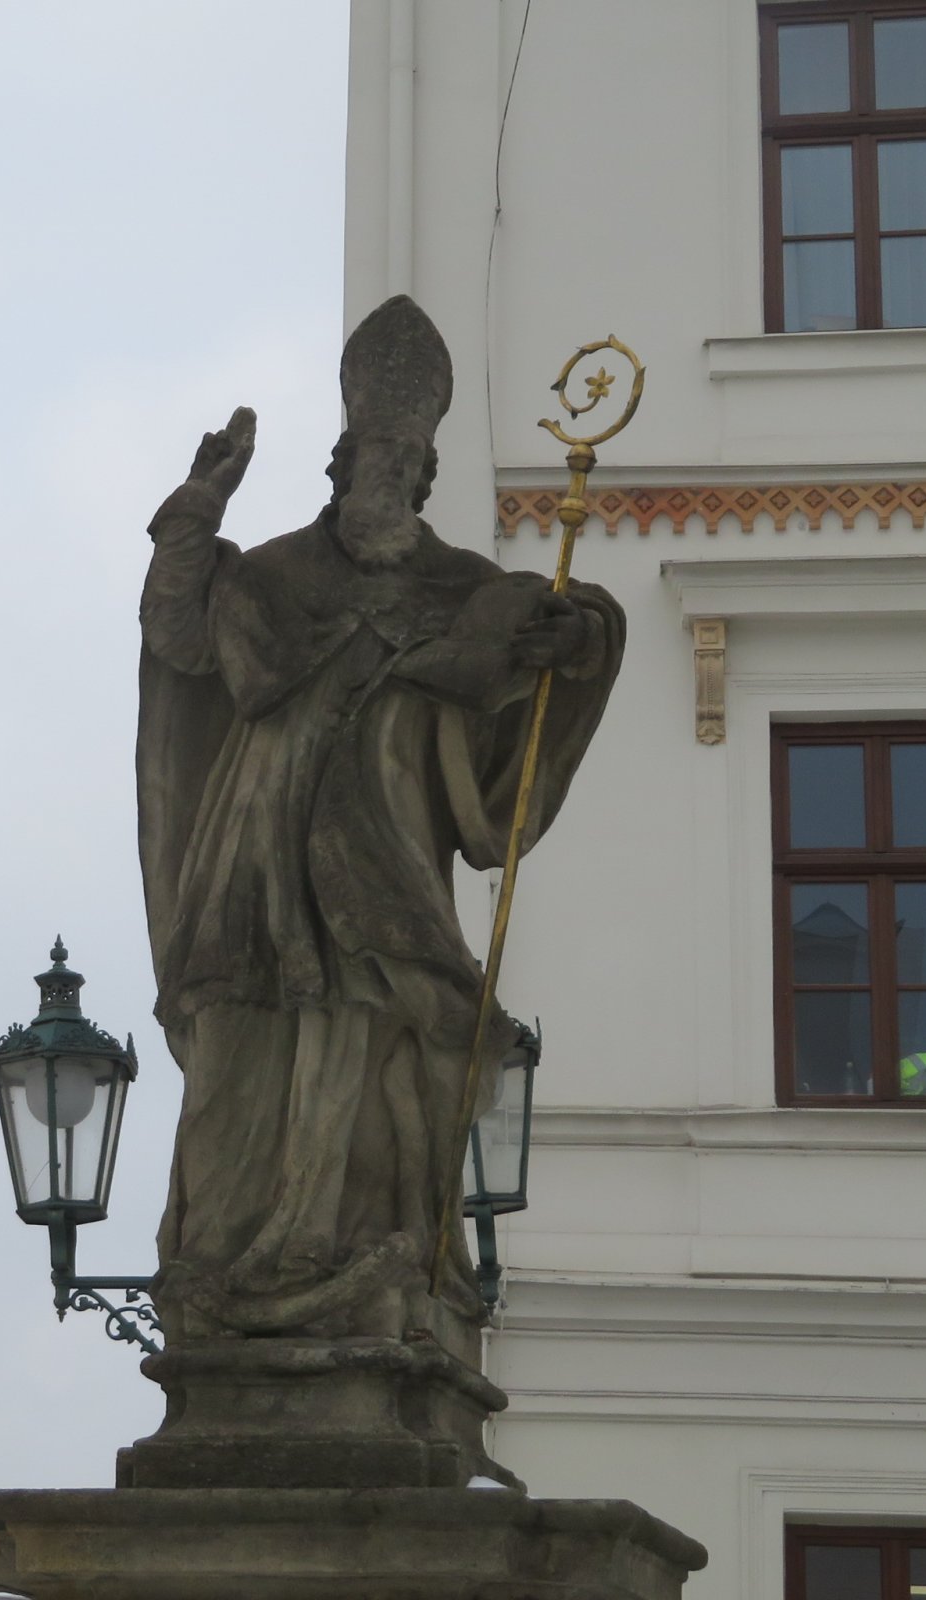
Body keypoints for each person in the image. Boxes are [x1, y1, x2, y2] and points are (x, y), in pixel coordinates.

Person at [135, 296, 623, 1357]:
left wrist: (576, 632)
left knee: (372, 1048)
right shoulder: (268, 575)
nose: (390, 480)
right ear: (341, 463)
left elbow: (549, 642)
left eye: (410, 466)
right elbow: (178, 637)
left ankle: (346, 1249)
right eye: (376, 460)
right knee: (238, 1054)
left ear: (426, 481)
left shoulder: (460, 588)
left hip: (382, 860)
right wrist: (192, 516)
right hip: (254, 859)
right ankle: (219, 1260)